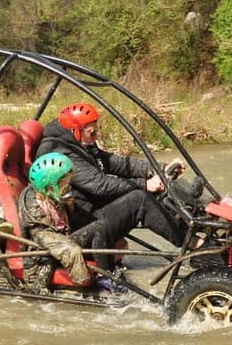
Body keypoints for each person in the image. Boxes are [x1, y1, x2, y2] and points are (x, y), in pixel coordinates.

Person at [35, 102, 188, 247]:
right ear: (75, 130)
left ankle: (194, 218)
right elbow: (99, 185)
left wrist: (158, 169)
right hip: (84, 222)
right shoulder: (58, 151)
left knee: (157, 191)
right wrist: (145, 184)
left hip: (94, 206)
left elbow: (114, 163)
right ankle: (193, 245)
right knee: (139, 199)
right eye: (92, 132)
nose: (96, 136)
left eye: (97, 130)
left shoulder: (81, 142)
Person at [18, 152, 125, 293]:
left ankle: (107, 272)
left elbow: (80, 223)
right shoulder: (36, 215)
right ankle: (103, 278)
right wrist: (83, 278)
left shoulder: (52, 197)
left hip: (61, 241)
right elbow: (62, 247)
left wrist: (72, 208)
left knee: (102, 225)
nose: (69, 188)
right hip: (44, 258)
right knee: (100, 227)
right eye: (65, 185)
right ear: (50, 187)